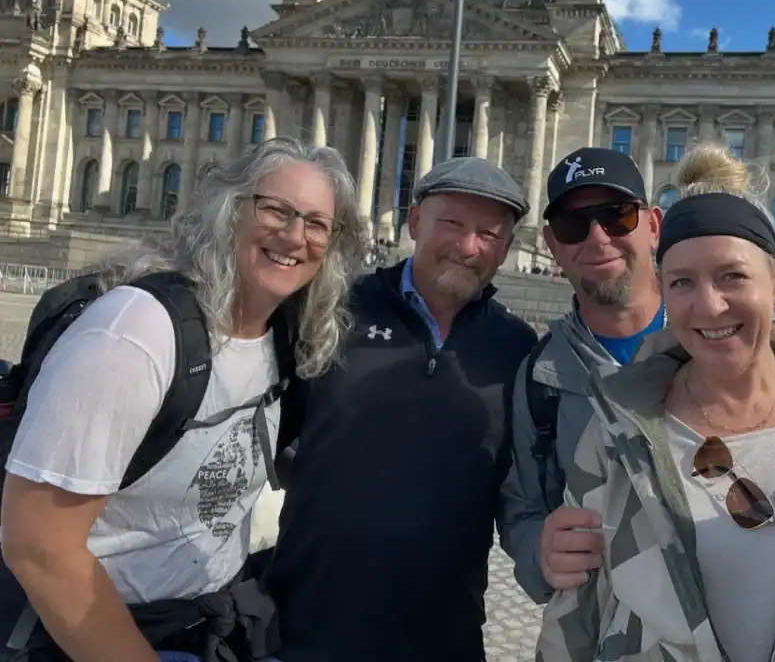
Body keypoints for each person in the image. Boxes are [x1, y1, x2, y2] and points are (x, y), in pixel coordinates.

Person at [537, 143, 775, 662]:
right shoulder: (615, 428)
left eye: (732, 276)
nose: (709, 305)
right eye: (682, 283)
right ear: (662, 290)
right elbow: (577, 612)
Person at [0, 137, 362, 662]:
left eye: (316, 223)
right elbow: (38, 545)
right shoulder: (134, 332)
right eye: (275, 209)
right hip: (98, 636)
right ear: (228, 210)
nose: (293, 235)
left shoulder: (281, 337)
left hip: (208, 626)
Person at [266, 156, 538, 662]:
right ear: (415, 222)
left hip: (443, 636)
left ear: (506, 247)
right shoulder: (332, 308)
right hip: (309, 626)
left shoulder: (518, 349)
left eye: (490, 234)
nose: (468, 247)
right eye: (452, 224)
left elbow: (521, 488)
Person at [498, 148, 663, 603]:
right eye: (574, 225)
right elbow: (521, 509)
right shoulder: (539, 376)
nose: (597, 237)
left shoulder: (721, 338)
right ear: (552, 244)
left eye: (617, 216)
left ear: (653, 226)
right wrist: (541, 554)